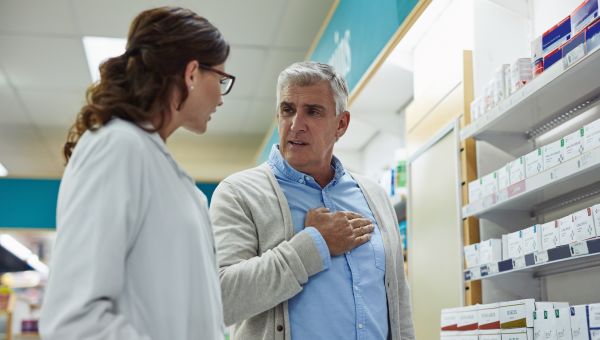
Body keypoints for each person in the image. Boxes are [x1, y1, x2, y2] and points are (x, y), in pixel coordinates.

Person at [40, 7, 235, 340]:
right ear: (191, 73)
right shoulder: (117, 147)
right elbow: (74, 319)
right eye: (220, 80)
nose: (220, 96)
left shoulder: (160, 166)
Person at [210, 61, 415, 340]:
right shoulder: (239, 193)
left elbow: (399, 303)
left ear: (341, 124)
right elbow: (221, 299)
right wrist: (314, 244)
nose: (296, 125)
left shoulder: (374, 196)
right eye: (287, 110)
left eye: (313, 112)